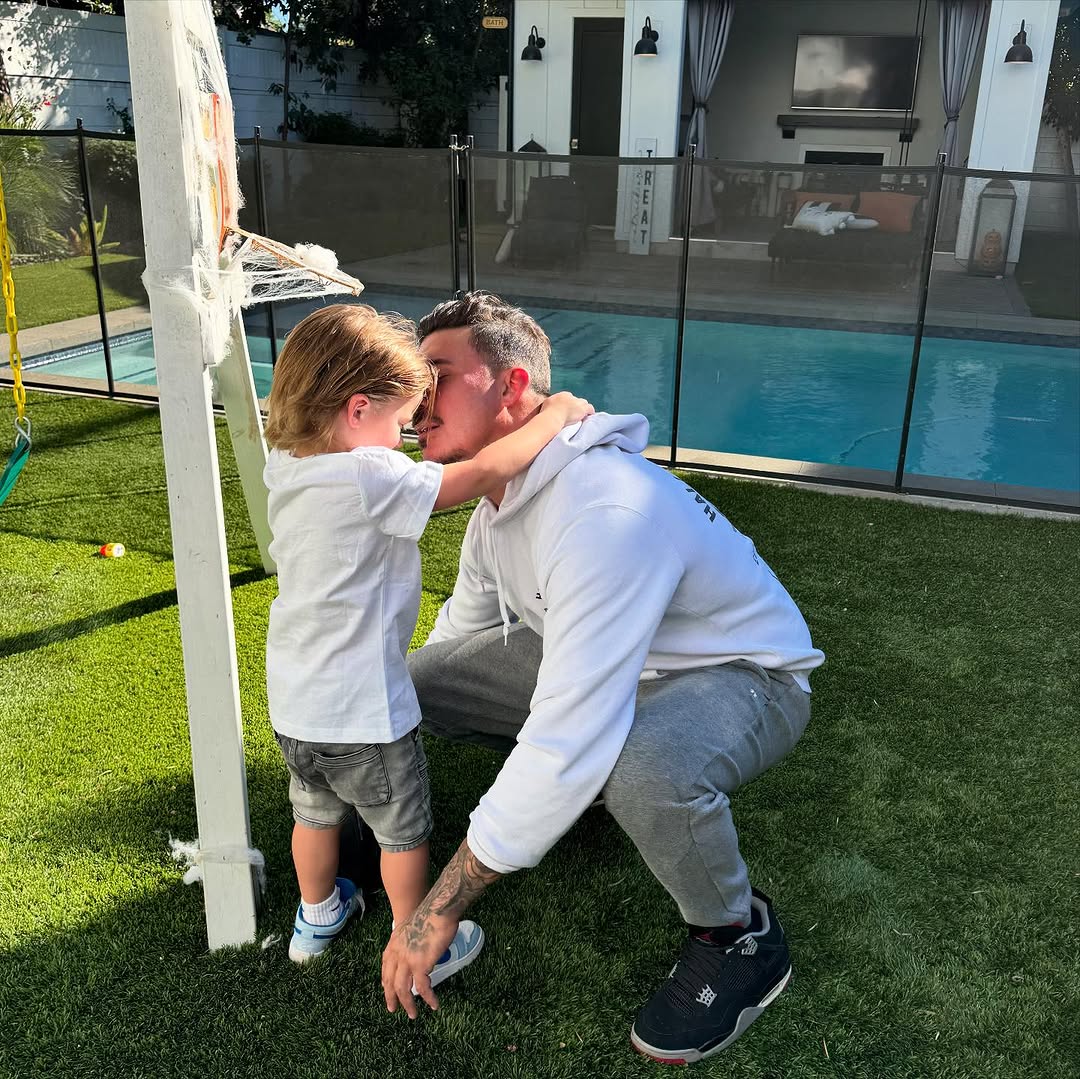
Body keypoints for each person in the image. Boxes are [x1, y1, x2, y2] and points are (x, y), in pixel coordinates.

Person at [380, 292, 825, 1065]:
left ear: (513, 388)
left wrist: (437, 909)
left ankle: (738, 934)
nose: (418, 402)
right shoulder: (499, 499)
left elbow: (567, 734)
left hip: (745, 677)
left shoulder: (602, 513)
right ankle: (541, 803)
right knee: (419, 681)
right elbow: (468, 631)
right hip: (606, 662)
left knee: (639, 762)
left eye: (438, 376)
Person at [261, 303, 593, 973]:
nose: (407, 437)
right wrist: (556, 415)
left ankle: (316, 917)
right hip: (365, 712)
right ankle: (414, 937)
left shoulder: (288, 463)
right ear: (356, 410)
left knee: (315, 816)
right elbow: (474, 476)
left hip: (294, 705)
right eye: (399, 421)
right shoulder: (368, 473)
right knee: (403, 831)